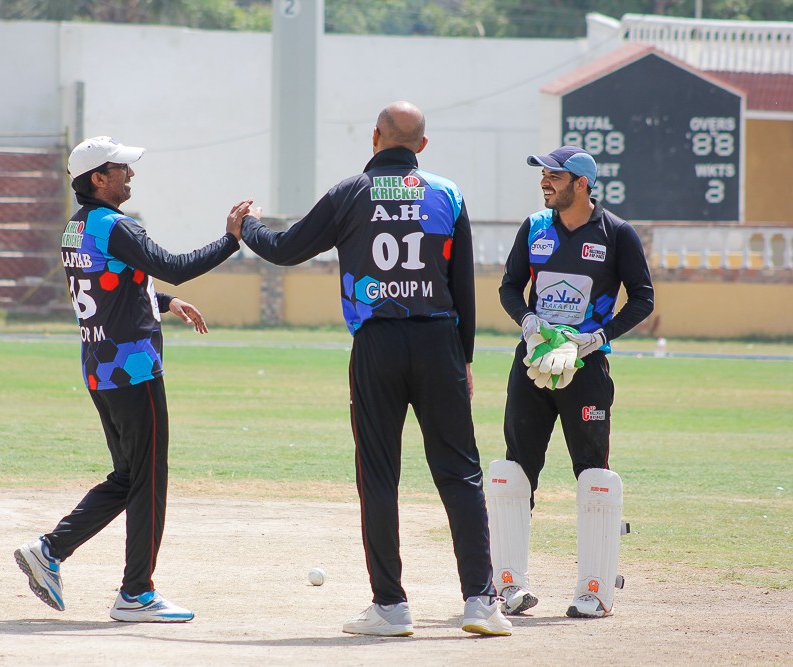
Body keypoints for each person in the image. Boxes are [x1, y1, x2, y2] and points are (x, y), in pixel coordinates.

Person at [241, 102, 512, 637]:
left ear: (375, 137)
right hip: (439, 342)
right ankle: (481, 602)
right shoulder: (447, 193)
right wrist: (464, 358)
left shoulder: (350, 193)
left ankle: (390, 606)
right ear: (422, 145)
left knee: (379, 476)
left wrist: (245, 224)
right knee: (460, 473)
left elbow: (286, 249)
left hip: (376, 345)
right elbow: (463, 285)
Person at [15, 135, 251, 623]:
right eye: (122, 168)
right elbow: (173, 267)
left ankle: (50, 550)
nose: (131, 174)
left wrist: (164, 302)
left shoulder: (77, 228)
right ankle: (136, 593)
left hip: (100, 368)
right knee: (148, 482)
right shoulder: (117, 225)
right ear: (99, 178)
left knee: (128, 477)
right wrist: (231, 240)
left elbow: (113, 286)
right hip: (134, 371)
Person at [489, 146, 654, 619]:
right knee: (513, 473)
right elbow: (509, 286)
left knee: (594, 478)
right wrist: (527, 323)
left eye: (554, 176)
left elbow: (642, 298)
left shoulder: (616, 233)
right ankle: (507, 586)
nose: (545, 182)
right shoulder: (535, 227)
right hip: (534, 363)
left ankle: (595, 591)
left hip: (586, 369)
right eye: (543, 174)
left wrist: (598, 337)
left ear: (581, 184)